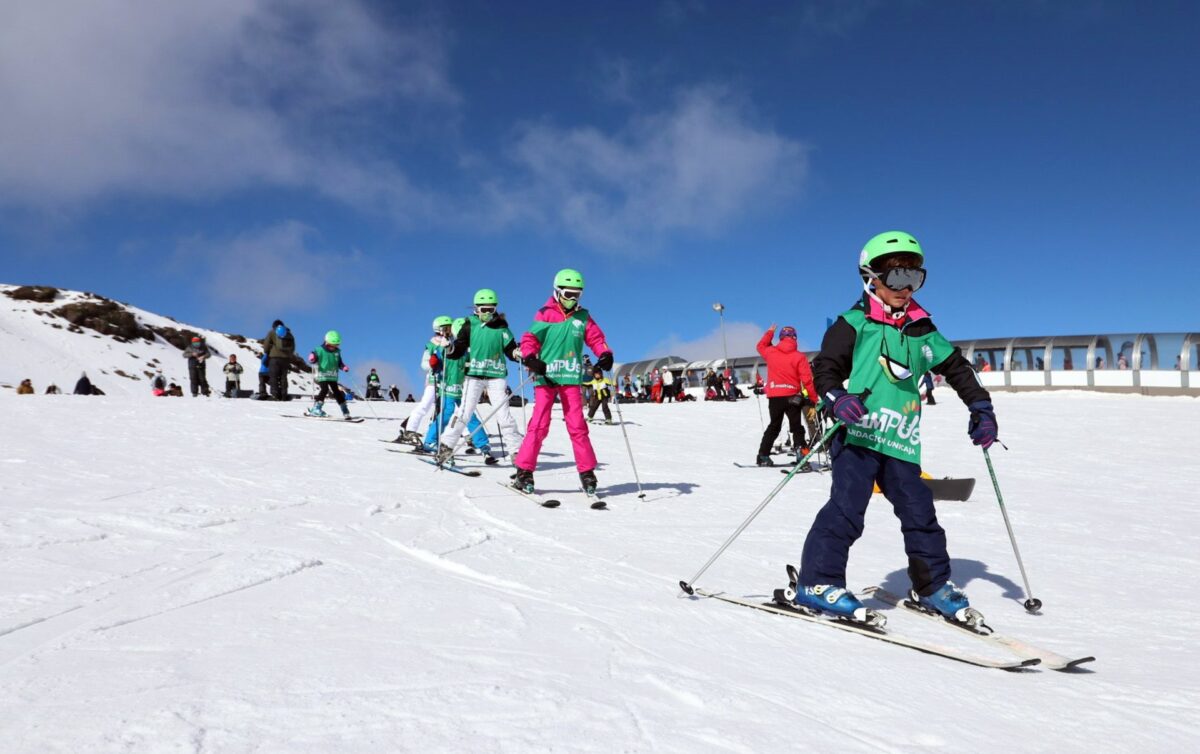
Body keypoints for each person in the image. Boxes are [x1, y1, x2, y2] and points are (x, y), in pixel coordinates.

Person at [792, 230, 996, 627]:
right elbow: (824, 369)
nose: (905, 288)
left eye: (914, 279)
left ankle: (932, 586)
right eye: (896, 278)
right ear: (871, 279)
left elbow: (956, 368)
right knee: (848, 509)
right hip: (859, 434)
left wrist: (981, 406)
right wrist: (836, 398)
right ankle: (817, 582)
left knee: (920, 513)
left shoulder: (923, 330)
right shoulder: (854, 324)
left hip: (900, 440)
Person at [508, 269, 612, 495]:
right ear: (556, 292)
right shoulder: (545, 313)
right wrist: (532, 358)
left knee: (577, 425)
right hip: (546, 376)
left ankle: (587, 473)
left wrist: (604, 353)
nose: (572, 299)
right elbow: (530, 339)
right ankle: (524, 471)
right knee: (539, 425)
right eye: (568, 294)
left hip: (570, 377)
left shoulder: (582, 317)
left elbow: (596, 338)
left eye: (577, 294)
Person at [435, 291, 524, 464]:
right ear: (476, 308)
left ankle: (516, 451)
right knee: (464, 413)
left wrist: (516, 353)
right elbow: (459, 348)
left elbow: (510, 348)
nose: (487, 313)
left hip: (496, 375)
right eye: (484, 309)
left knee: (504, 415)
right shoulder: (470, 325)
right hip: (474, 376)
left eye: (491, 309)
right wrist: (449, 348)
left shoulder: (501, 327)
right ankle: (446, 446)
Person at [422, 318, 493, 459]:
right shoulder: (446, 345)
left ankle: (483, 444)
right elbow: (436, 358)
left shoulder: (471, 349)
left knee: (470, 416)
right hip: (448, 385)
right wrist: (434, 363)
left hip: (464, 387)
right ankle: (430, 441)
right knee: (446, 414)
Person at [754, 325, 819, 466]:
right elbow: (807, 380)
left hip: (775, 397)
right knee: (797, 427)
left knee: (774, 426)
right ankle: (801, 455)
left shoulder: (771, 352)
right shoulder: (799, 357)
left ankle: (763, 456)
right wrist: (813, 399)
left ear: (781, 338)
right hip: (792, 397)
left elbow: (760, 346)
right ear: (795, 338)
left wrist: (770, 331)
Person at [396, 316, 453, 444]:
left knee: (449, 408)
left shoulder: (453, 343)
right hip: (435, 380)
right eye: (447, 328)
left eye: (451, 327)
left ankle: (459, 435)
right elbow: (424, 364)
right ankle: (410, 430)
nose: (450, 330)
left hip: (450, 380)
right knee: (425, 405)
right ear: (439, 329)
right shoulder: (432, 344)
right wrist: (433, 364)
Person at [305, 330, 353, 419]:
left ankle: (344, 409)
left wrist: (343, 367)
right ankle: (316, 408)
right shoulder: (319, 350)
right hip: (322, 375)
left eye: (336, 345)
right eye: (332, 345)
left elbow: (339, 363)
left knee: (337, 392)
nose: (334, 347)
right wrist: (312, 357)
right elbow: (314, 357)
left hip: (333, 376)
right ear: (326, 342)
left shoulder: (337, 352)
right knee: (325, 389)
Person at [263, 320, 295, 400]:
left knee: (274, 376)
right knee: (283, 377)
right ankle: (284, 395)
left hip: (274, 358)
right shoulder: (289, 333)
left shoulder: (272, 332)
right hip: (286, 359)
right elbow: (293, 347)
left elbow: (266, 344)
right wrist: (288, 356)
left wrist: (266, 352)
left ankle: (275, 395)